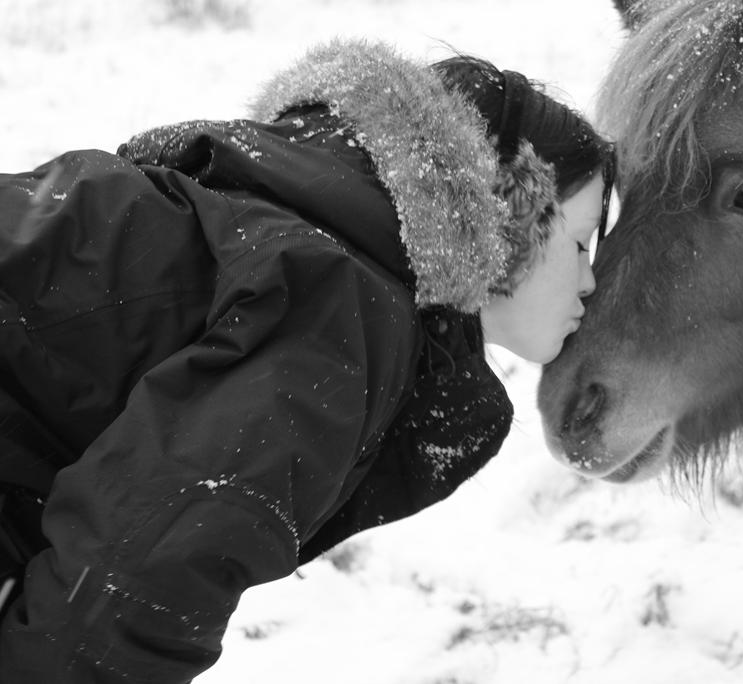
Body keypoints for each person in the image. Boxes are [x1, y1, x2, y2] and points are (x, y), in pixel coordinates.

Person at [0, 38, 614, 683]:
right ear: (512, 219)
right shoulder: (339, 298)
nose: (590, 282)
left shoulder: (275, 238)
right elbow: (150, 564)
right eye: (580, 241)